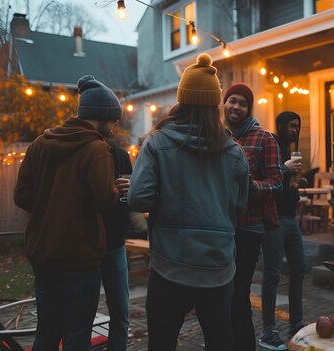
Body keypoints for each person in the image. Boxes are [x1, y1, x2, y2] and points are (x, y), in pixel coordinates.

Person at [128, 53, 249, 351]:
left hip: (170, 265)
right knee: (220, 342)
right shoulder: (234, 152)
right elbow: (240, 208)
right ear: (215, 105)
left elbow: (138, 197)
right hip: (218, 268)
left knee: (162, 342)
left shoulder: (157, 142)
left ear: (182, 100)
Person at [14, 75, 122, 351]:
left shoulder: (41, 143)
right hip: (80, 258)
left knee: (47, 333)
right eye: (114, 119)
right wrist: (116, 190)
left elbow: (21, 196)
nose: (114, 127)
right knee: (77, 337)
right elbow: (103, 202)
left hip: (43, 255)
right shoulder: (96, 149)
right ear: (103, 116)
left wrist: (50, 211)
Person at [223, 83, 283, 351]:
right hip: (222, 227)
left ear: (249, 109)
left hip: (248, 228)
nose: (235, 107)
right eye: (231, 101)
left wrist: (252, 188)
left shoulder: (264, 139)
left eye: (242, 103)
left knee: (238, 295)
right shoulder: (218, 137)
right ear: (224, 104)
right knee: (221, 295)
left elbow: (277, 183)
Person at [259, 111, 307, 350]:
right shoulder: (272, 144)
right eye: (291, 126)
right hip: (274, 218)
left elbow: (284, 182)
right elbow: (266, 175)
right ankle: (268, 330)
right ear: (280, 126)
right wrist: (286, 169)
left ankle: (296, 325)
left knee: (299, 267)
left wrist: (296, 183)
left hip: (291, 217)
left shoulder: (290, 148)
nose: (295, 130)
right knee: (272, 274)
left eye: (298, 126)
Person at [101, 141, 132, 351]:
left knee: (120, 312)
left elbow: (128, 197)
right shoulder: (80, 155)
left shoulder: (121, 155)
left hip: (116, 244)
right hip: (85, 248)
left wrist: (127, 192)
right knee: (81, 314)